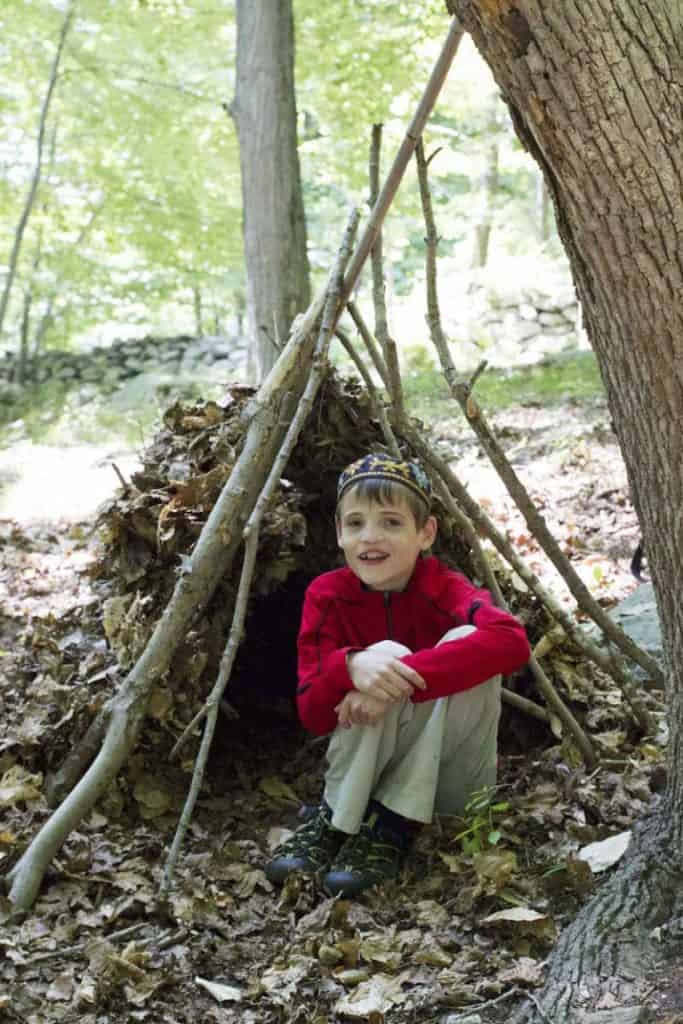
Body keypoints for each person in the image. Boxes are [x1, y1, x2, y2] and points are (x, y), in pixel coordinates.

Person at [265, 452, 530, 897]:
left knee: (463, 637)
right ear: (339, 534)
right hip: (363, 770)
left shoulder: (442, 586)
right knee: (380, 653)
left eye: (390, 522)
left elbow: (511, 640)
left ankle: (391, 824)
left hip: (447, 778)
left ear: (425, 533)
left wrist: (394, 673)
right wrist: (350, 665)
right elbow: (312, 712)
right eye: (355, 523)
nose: (370, 537)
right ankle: (338, 820)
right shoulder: (327, 595)